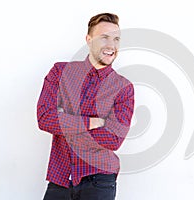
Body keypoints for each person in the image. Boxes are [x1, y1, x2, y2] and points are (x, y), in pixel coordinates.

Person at [37, 13, 135, 200]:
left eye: (116, 39)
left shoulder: (123, 88)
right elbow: (44, 119)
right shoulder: (60, 72)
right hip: (60, 177)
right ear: (88, 40)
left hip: (100, 181)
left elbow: (113, 139)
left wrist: (64, 120)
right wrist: (95, 122)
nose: (111, 46)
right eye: (104, 37)